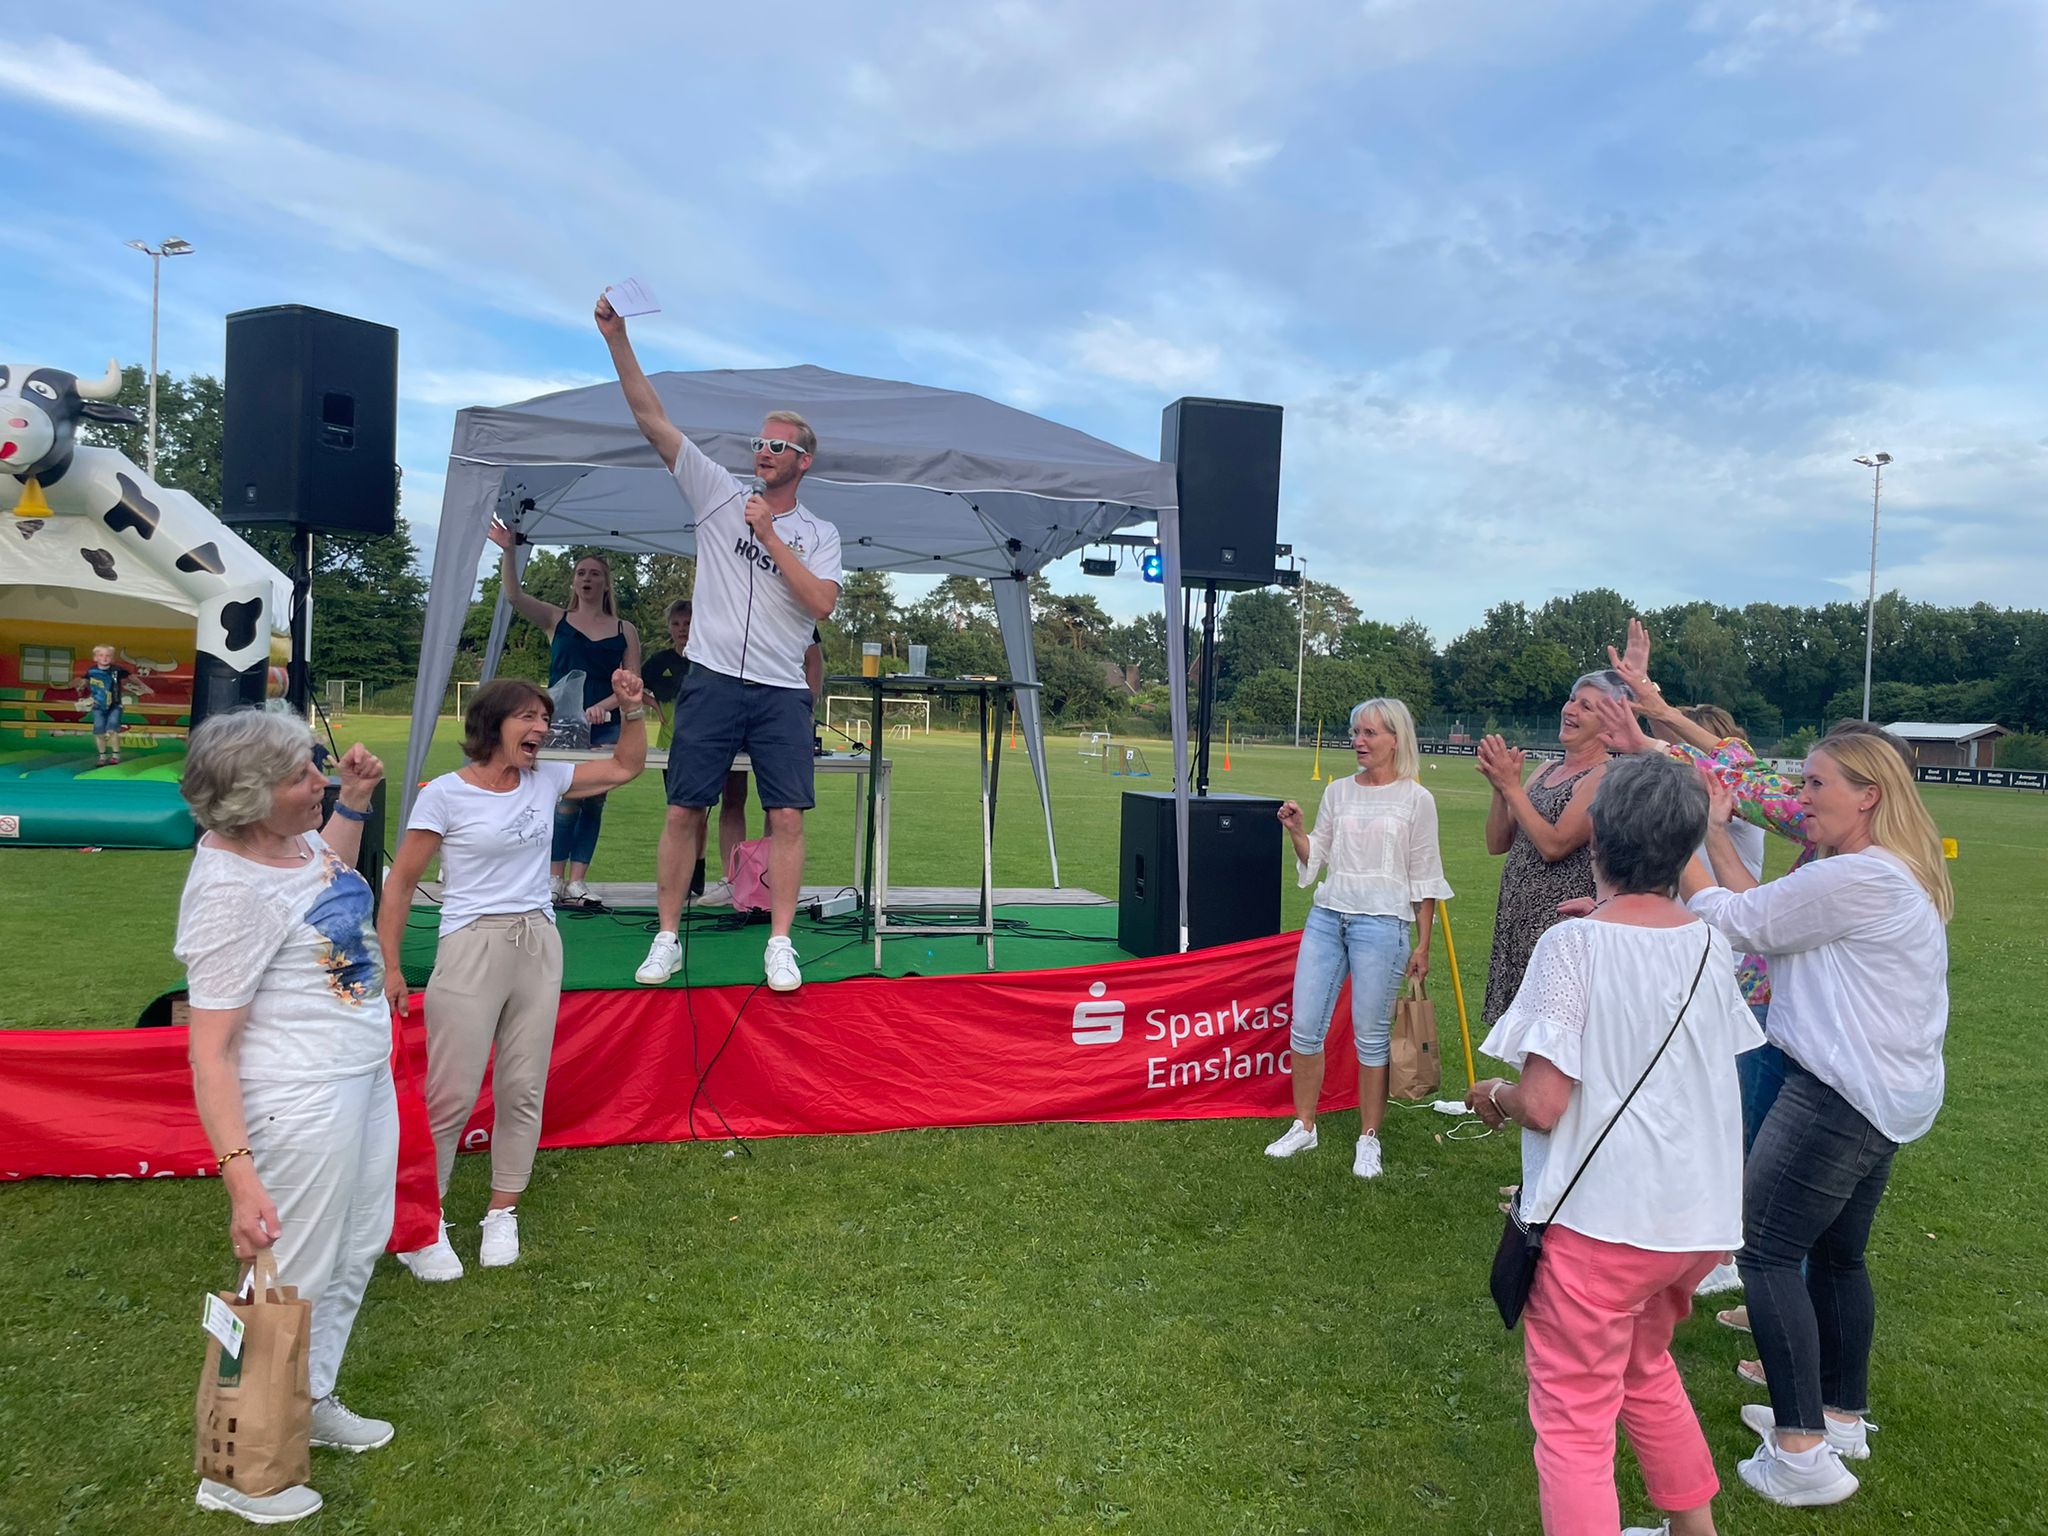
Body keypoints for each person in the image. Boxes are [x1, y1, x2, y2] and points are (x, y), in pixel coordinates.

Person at [1469, 753, 1762, 1536]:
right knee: (1644, 1367)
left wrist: (1493, 1096)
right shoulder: (1710, 944)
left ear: (1597, 836)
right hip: (1693, 1222)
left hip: (1603, 1224)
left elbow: (1542, 1103)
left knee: (1573, 1418)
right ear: (1688, 843)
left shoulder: (1572, 948)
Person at [1681, 727, 1952, 1508]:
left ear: (1868, 796)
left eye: (1816, 785)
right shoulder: (1880, 871)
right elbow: (1766, 915)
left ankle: (1801, 1453)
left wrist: (1687, 836)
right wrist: (1715, 832)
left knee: (1768, 1251)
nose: (1800, 800)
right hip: (1881, 1096)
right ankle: (1839, 1417)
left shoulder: (1858, 876)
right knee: (1837, 1258)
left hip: (1837, 1093)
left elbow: (1733, 920)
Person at [177, 710, 397, 1526]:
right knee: (284, 1276)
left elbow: (318, 893)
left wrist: (355, 804)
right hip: (299, 1098)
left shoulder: (296, 842)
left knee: (357, 1243)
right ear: (249, 797)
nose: (321, 781)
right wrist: (241, 1181)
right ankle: (237, 1469)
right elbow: (212, 1051)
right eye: (304, 776)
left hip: (361, 1074)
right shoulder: (227, 891)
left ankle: (309, 1399)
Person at [594, 291, 842, 993]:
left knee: (785, 815)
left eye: (778, 445)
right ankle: (667, 937)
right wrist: (617, 340)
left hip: (782, 689)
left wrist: (770, 535)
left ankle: (780, 943)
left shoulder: (819, 534)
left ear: (804, 461)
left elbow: (821, 603)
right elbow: (653, 421)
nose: (763, 451)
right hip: (709, 679)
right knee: (684, 808)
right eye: (759, 442)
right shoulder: (718, 494)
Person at [378, 672, 648, 1281]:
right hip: (471, 947)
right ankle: (423, 1225)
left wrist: (632, 711)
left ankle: (502, 1212)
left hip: (538, 943)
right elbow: (400, 885)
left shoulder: (546, 778)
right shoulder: (445, 794)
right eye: (528, 717)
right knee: (450, 1094)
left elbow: (626, 767)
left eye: (544, 718)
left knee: (523, 1087)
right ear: (492, 723)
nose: (541, 729)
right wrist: (391, 966)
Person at [1264, 698, 1453, 1178]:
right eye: (1355, 732)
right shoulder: (1338, 792)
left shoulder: (1416, 800)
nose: (1358, 741)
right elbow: (1317, 855)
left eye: (1369, 733)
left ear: (1395, 739)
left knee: (1370, 1038)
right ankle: (1304, 1126)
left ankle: (1369, 1138)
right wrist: (1297, 830)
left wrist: (1423, 946)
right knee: (1305, 1026)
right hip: (1328, 918)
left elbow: (1425, 877)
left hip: (1383, 926)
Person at [484, 527, 642, 912]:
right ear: (574, 581)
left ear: (606, 584)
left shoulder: (625, 630)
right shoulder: (558, 620)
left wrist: (605, 704)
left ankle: (577, 881)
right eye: (581, 573)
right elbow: (514, 595)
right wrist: (509, 552)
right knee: (566, 801)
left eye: (595, 574)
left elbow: (633, 680)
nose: (587, 579)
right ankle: (553, 878)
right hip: (563, 727)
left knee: (595, 801)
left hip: (606, 725)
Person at [642, 600, 826, 905]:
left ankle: (768, 879)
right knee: (731, 797)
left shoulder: (791, 601)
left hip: (776, 707)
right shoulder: (726, 599)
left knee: (781, 806)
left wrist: (808, 703)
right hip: (727, 707)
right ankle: (734, 880)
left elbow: (814, 658)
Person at [1477, 670, 1631, 1025]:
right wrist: (1500, 790)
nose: (1570, 709)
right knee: (1514, 1031)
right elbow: (1497, 843)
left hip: (1559, 924)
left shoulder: (1605, 776)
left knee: (1549, 1028)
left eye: (1586, 707)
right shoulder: (1545, 770)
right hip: (1515, 921)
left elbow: (1555, 845)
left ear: (1608, 724)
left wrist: (1512, 788)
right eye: (1572, 699)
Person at [79, 643, 145, 765]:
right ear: (95, 657)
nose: (104, 658)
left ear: (112, 658)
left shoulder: (117, 670)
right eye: (101, 655)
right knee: (99, 732)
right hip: (98, 705)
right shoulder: (92, 671)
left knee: (112, 730)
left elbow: (131, 677)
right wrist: (82, 688)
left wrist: (142, 686)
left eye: (108, 656)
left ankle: (115, 755)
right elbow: (85, 681)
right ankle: (102, 756)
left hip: (114, 704)